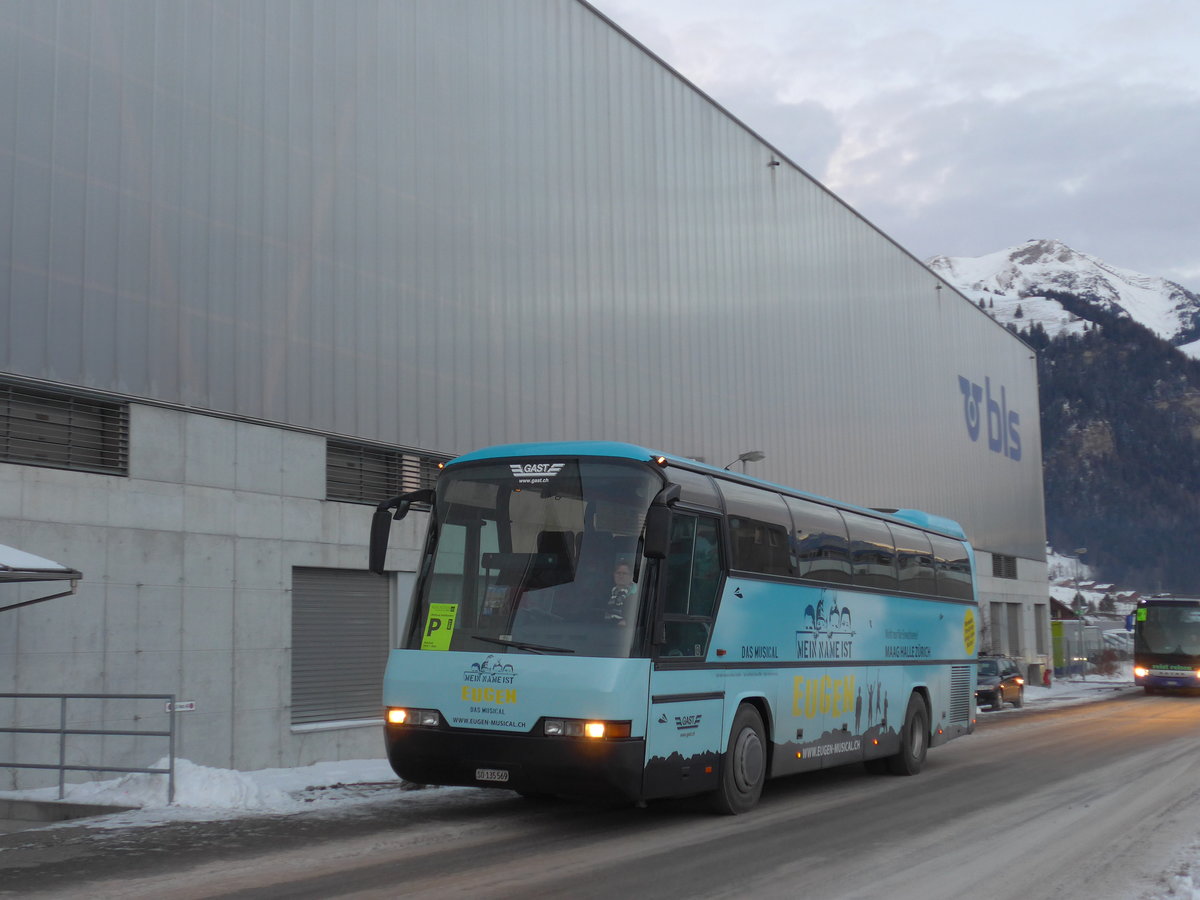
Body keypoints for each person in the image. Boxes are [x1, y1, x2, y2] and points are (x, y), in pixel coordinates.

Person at [606, 560, 636, 624]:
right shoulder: (608, 593)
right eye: (618, 573)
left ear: (631, 577)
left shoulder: (637, 596)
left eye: (624, 573)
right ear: (614, 575)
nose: (621, 576)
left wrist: (627, 622)